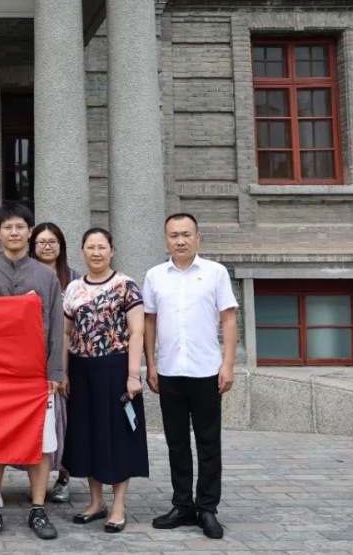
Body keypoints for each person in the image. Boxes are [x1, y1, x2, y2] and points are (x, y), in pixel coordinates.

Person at [0, 203, 64, 541]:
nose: (14, 232)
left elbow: (55, 325)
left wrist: (55, 370)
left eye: (20, 226)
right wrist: (20, 307)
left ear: (29, 232)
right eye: (7, 227)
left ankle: (38, 508)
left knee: (42, 442)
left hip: (36, 373)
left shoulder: (46, 276)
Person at [143, 213, 238, 541]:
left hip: (206, 371)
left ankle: (207, 507)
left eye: (186, 234)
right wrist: (150, 364)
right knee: (177, 442)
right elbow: (150, 322)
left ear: (198, 238)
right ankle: (182, 504)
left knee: (208, 443)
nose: (180, 241)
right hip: (169, 371)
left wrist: (228, 364)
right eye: (174, 235)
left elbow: (228, 319)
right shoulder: (155, 276)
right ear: (166, 239)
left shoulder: (215, 273)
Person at [63, 227, 149, 534]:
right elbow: (66, 333)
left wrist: (133, 374)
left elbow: (137, 331)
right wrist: (64, 372)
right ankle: (96, 501)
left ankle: (118, 506)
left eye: (102, 247)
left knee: (117, 435)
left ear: (112, 251)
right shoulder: (73, 288)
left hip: (116, 369)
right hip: (81, 369)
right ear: (82, 251)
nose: (96, 252)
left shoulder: (126, 285)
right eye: (90, 247)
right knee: (88, 434)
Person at [28, 222, 78, 505]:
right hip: (36, 361)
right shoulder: (26, 276)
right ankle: (38, 482)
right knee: (43, 424)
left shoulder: (75, 279)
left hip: (70, 358)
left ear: (61, 246)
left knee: (68, 422)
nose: (47, 247)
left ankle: (64, 478)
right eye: (41, 242)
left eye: (52, 242)